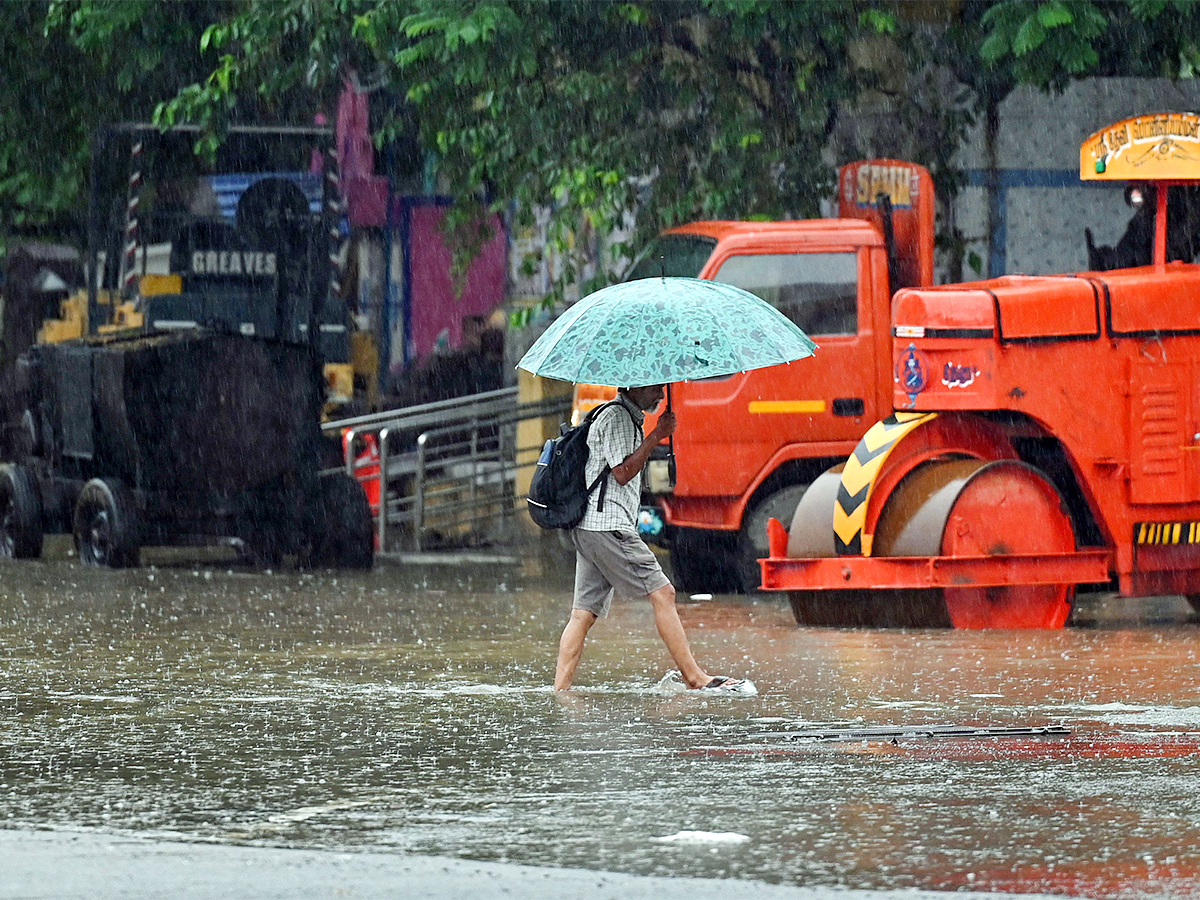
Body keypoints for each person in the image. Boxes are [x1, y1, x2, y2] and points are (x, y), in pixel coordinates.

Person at [553, 383, 751, 693]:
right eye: (655, 389)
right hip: (608, 526)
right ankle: (695, 678)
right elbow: (622, 472)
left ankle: (560, 692)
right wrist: (657, 435)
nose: (660, 395)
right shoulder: (617, 417)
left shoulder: (621, 416)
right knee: (664, 593)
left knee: (582, 613)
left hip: (590, 527)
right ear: (633, 387)